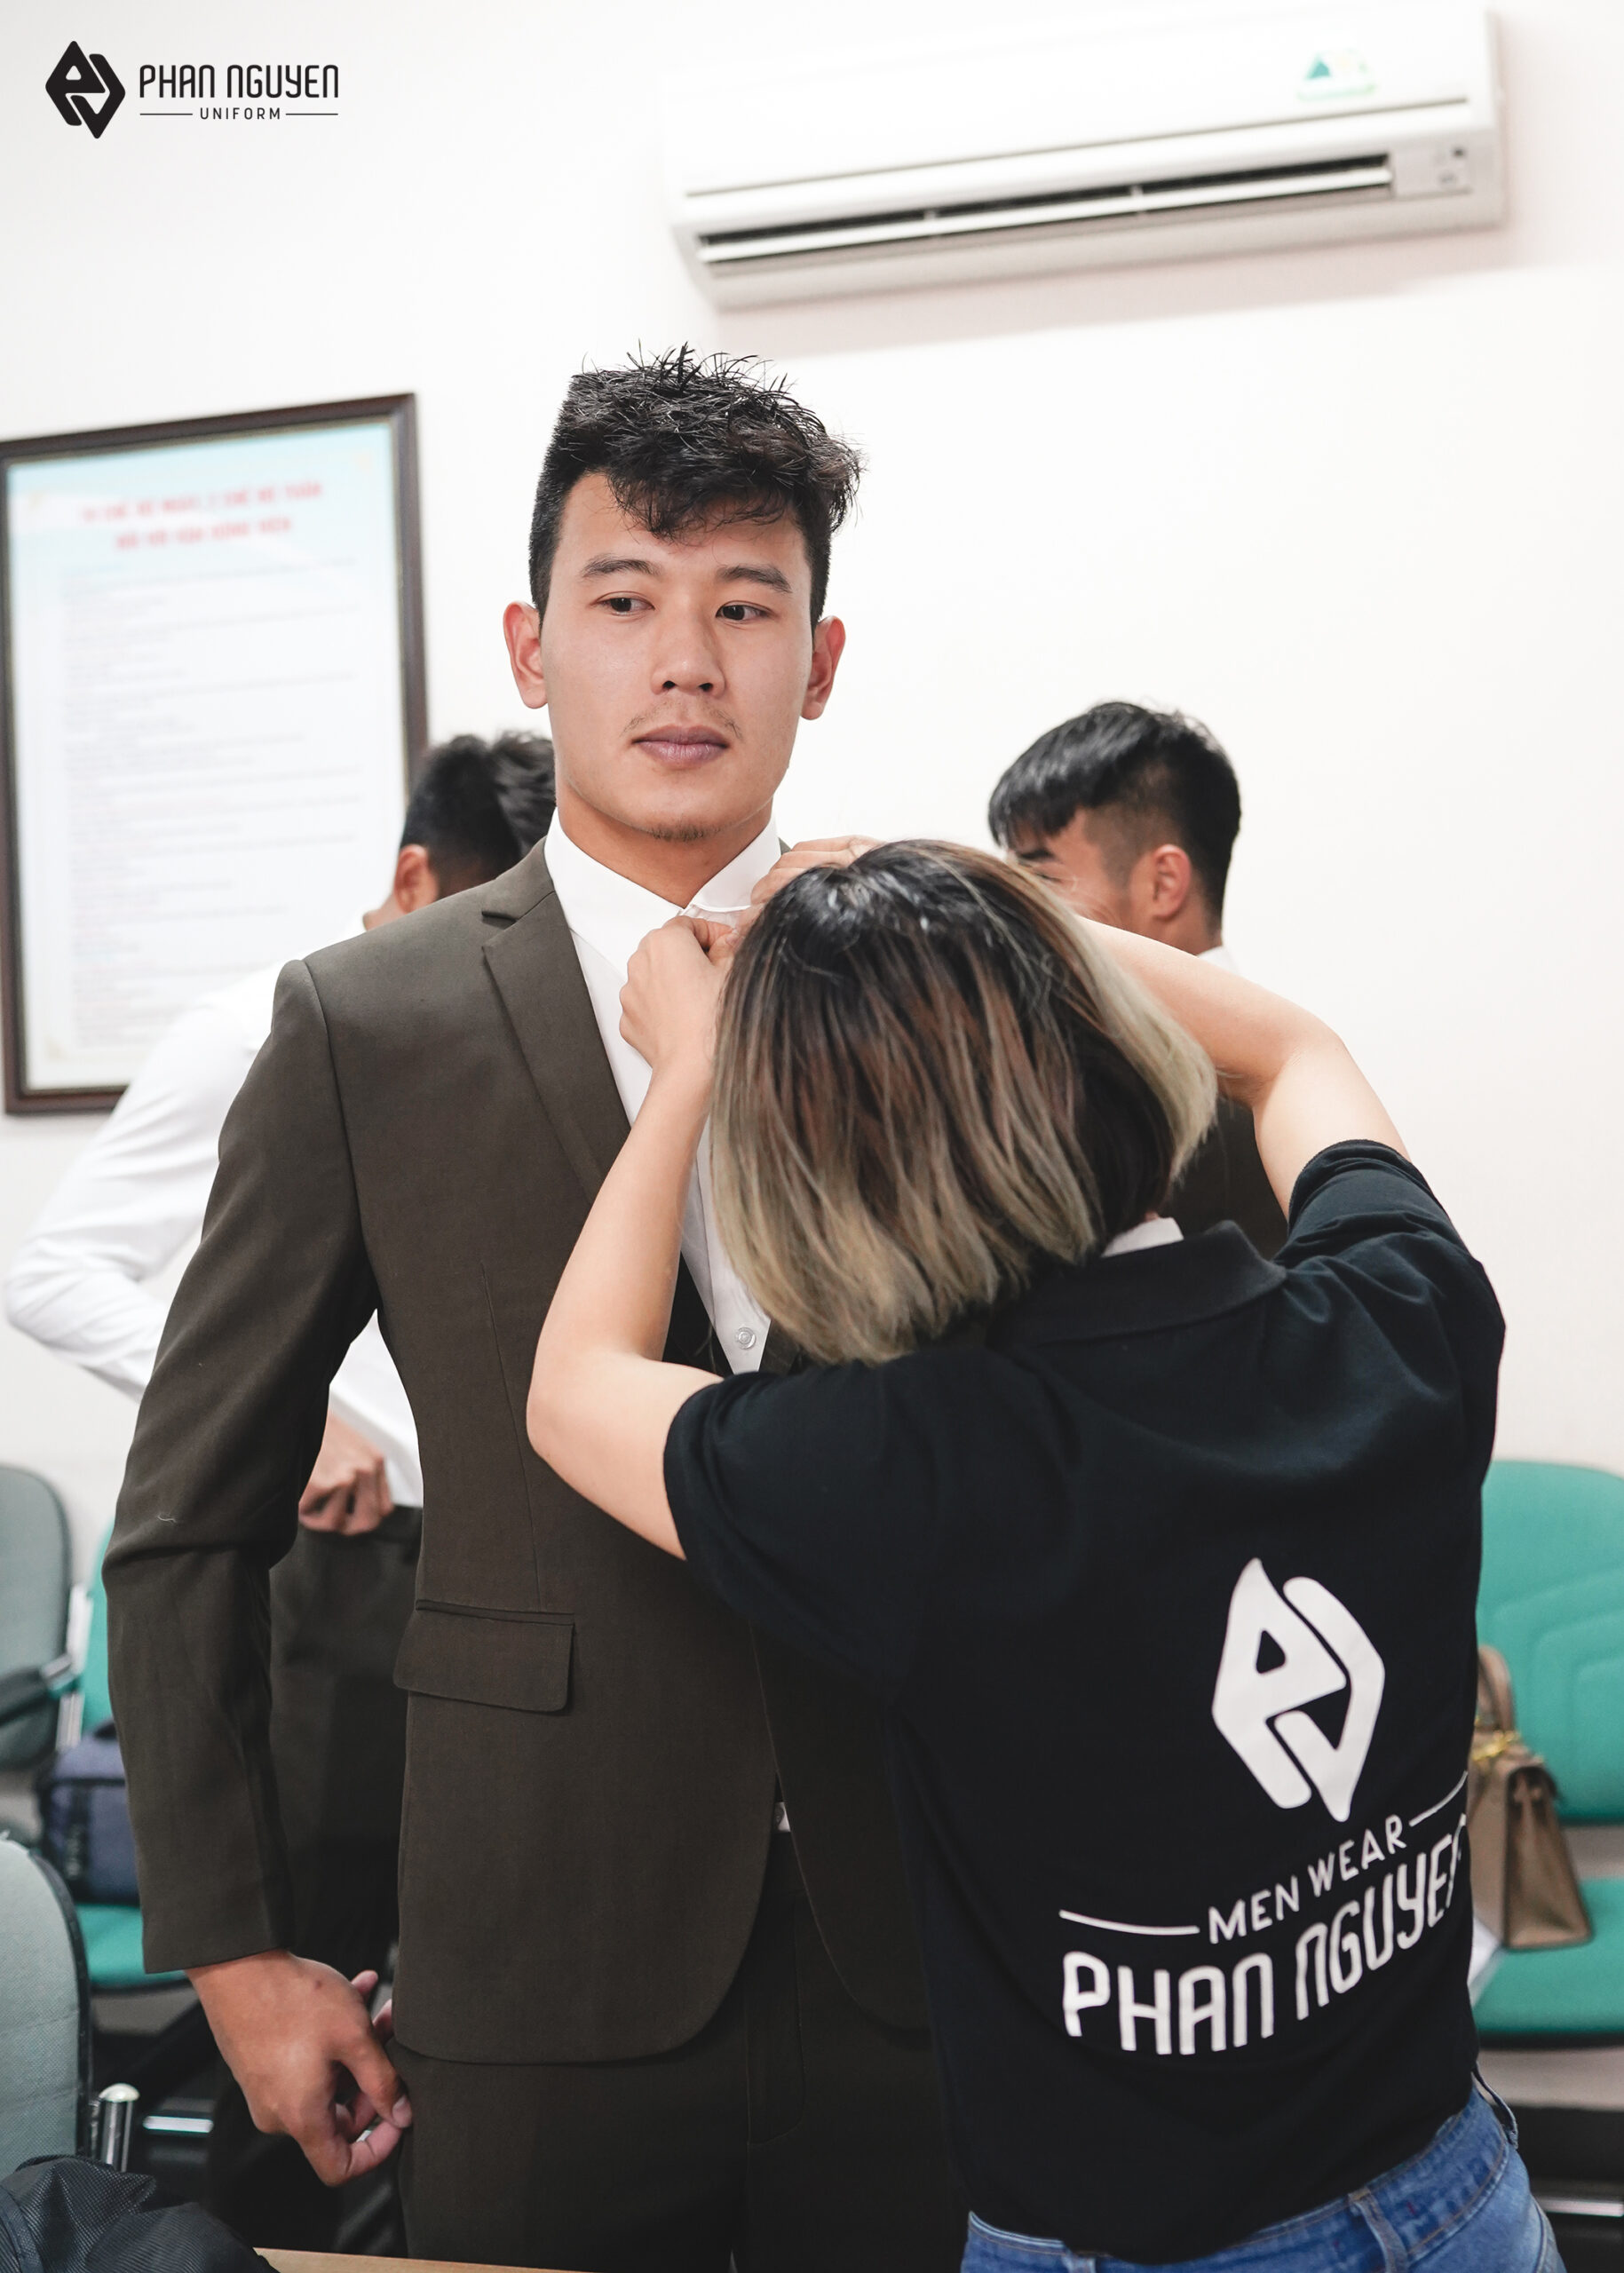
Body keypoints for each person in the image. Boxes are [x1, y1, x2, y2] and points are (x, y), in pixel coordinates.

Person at [105, 349, 962, 2273]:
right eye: (625, 600)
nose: (685, 664)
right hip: (534, 1938)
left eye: (744, 607)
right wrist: (233, 1952)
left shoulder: (936, 989)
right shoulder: (366, 1021)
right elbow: (185, 1522)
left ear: (818, 662)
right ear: (530, 645)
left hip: (919, 1925)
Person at [526, 843, 1552, 2272]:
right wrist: (970, 896)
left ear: (825, 1184)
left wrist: (691, 1071)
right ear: (1116, 1045)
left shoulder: (907, 1471)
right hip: (1461, 2202)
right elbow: (1292, 1049)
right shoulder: (1400, 1315)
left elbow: (572, 1386)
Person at [7, 728, 555, 2246]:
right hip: (341, 1577)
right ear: (411, 883)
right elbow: (56, 1273)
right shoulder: (259, 1023)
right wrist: (295, 1413)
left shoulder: (525, 1043)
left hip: (508, 1574)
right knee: (313, 1984)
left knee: (478, 1988)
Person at [989, 701, 1287, 1256]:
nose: (1014, 915)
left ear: (1163, 884)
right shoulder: (1278, 1065)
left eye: (1039, 880)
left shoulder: (1190, 1093)